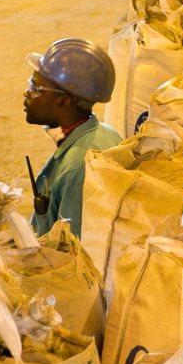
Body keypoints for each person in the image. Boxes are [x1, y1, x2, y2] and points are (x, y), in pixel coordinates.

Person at [24, 37, 121, 238]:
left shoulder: (78, 168)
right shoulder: (106, 132)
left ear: (64, 102)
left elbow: (73, 253)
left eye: (35, 89)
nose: (27, 93)